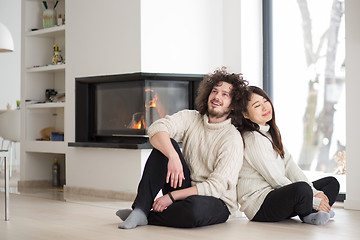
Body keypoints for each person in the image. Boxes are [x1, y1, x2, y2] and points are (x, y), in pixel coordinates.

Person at [116, 68, 248, 229]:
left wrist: (171, 197)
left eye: (224, 94)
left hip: (216, 200)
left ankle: (147, 216)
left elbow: (215, 187)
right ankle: (140, 209)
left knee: (194, 209)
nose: (217, 97)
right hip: (184, 187)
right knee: (164, 144)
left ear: (233, 106)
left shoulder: (232, 139)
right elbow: (157, 128)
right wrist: (172, 156)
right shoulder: (191, 118)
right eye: (214, 91)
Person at [237, 86, 340, 225]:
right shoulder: (252, 139)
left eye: (265, 101)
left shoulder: (270, 133)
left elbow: (290, 165)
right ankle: (311, 212)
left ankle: (310, 213)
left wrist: (314, 192)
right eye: (257, 105)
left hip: (278, 195)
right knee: (302, 189)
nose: (265, 107)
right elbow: (276, 179)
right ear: (245, 114)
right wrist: (314, 201)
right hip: (260, 206)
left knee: (331, 183)